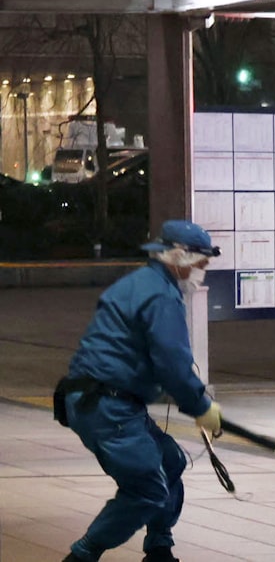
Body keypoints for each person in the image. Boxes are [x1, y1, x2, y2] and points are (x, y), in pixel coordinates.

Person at [56, 220, 223, 562]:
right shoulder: (161, 296)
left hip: (100, 399)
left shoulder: (138, 283)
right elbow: (173, 363)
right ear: (180, 257)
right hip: (108, 406)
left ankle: (159, 548)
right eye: (201, 262)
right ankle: (83, 555)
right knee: (146, 489)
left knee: (170, 462)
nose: (203, 270)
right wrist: (200, 406)